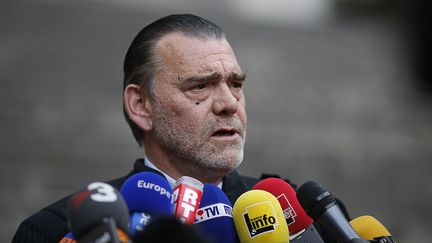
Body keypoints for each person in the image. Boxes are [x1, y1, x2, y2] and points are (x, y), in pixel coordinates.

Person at [12, 14, 257, 243]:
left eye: (235, 84)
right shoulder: (56, 230)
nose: (229, 104)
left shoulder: (287, 212)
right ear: (140, 105)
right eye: (200, 86)